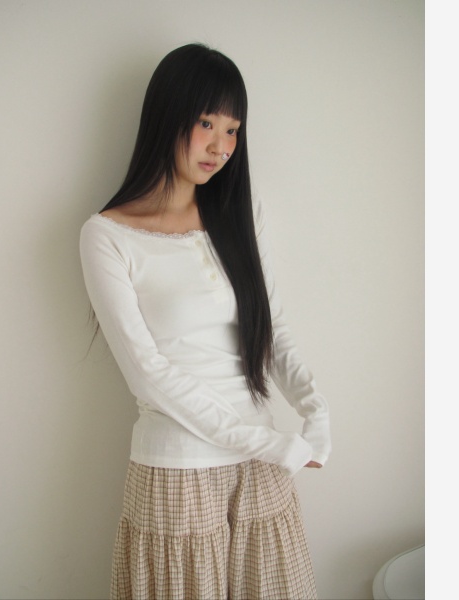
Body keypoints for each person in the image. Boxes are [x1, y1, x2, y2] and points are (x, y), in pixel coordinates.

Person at [80, 43, 331, 600]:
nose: (221, 146)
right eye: (206, 123)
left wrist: (316, 410)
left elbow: (271, 327)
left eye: (233, 129)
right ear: (167, 116)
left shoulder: (240, 210)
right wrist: (269, 444)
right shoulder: (107, 236)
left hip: (262, 464)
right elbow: (147, 374)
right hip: (179, 469)